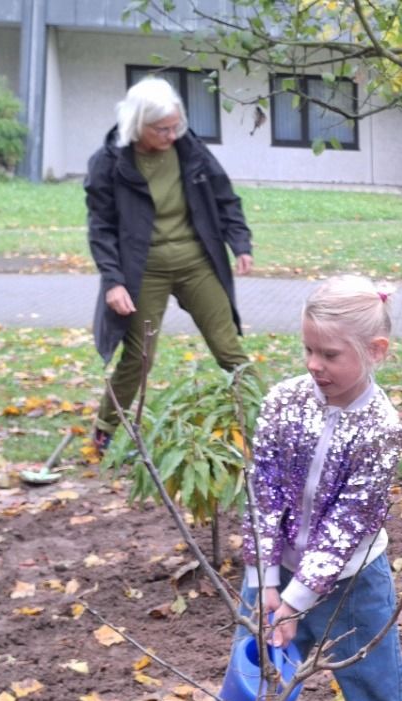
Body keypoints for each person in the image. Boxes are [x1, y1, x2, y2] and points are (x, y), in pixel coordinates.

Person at [208, 275, 402, 701]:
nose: (315, 364)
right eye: (308, 349)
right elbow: (264, 491)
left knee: (376, 681)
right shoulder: (284, 402)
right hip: (273, 572)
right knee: (252, 682)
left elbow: (347, 526)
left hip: (352, 581)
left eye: (331, 354)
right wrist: (266, 579)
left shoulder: (381, 428)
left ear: (375, 351)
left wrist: (296, 601)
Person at [85, 76, 254, 454]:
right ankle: (105, 431)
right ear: (138, 124)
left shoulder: (190, 149)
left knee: (228, 349)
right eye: (162, 129)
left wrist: (240, 243)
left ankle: (266, 423)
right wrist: (113, 281)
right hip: (142, 271)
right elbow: (101, 227)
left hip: (197, 263)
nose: (172, 134)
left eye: (176, 125)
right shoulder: (109, 163)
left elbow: (226, 198)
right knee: (139, 358)